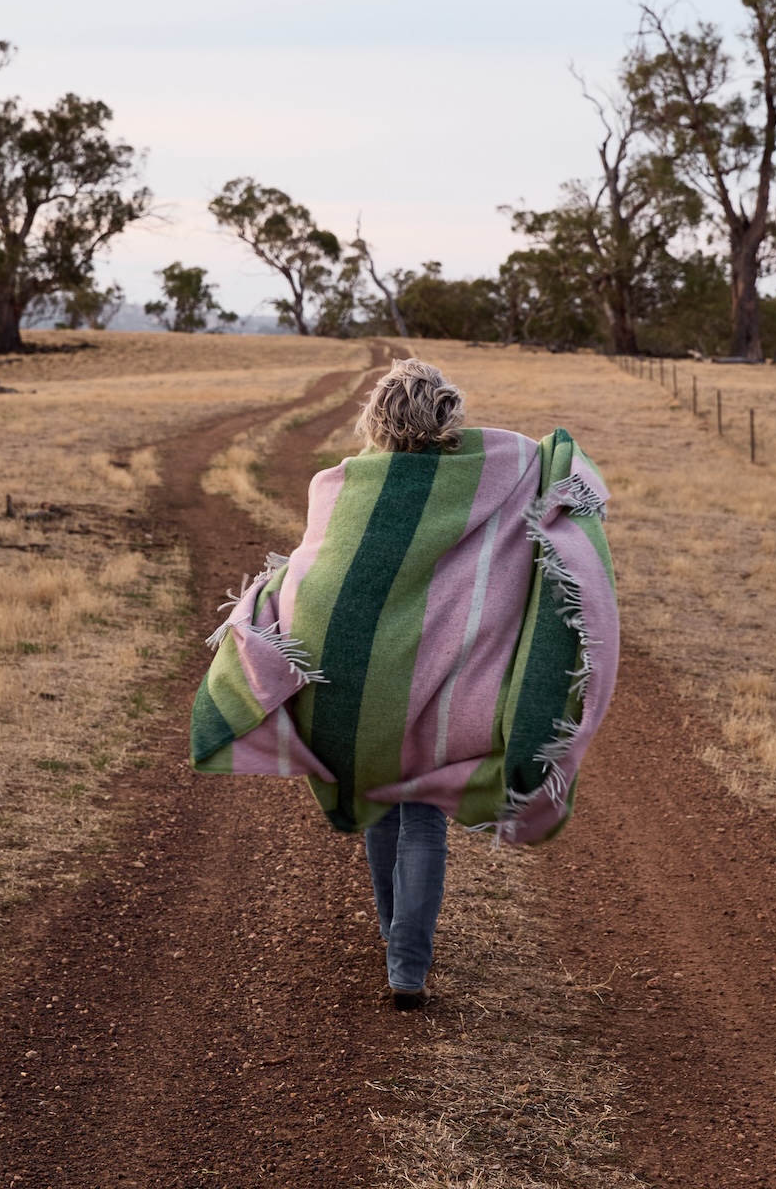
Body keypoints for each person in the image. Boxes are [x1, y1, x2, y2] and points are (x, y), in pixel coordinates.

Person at [191, 359, 619, 1011]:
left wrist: (275, 605)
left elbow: (313, 575)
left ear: (378, 418)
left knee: (380, 809)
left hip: (370, 697)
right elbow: (558, 469)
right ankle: (407, 967)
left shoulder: (346, 487)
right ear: (446, 414)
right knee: (419, 821)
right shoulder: (498, 470)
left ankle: (398, 939)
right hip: (447, 693)